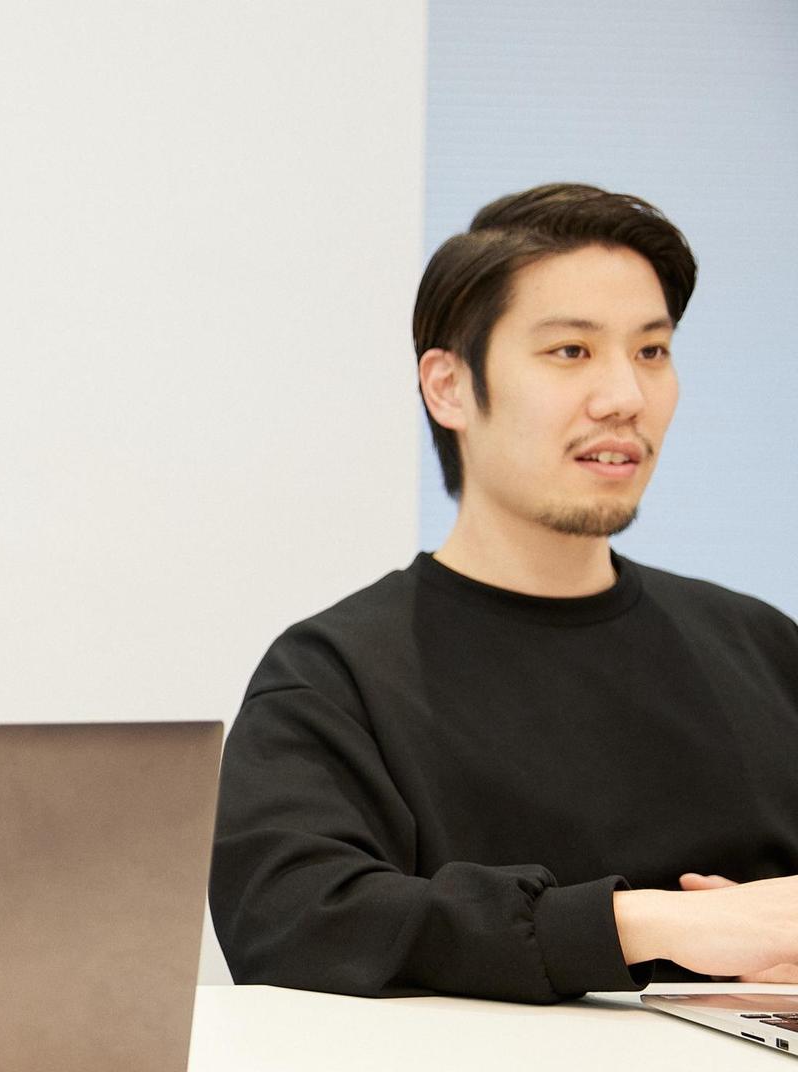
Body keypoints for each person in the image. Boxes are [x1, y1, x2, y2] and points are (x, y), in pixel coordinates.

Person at [211, 183, 798, 1002]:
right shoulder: (336, 675)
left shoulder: (763, 648)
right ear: (449, 386)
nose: (625, 398)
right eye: (572, 351)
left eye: (652, 352)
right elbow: (292, 921)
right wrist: (654, 926)